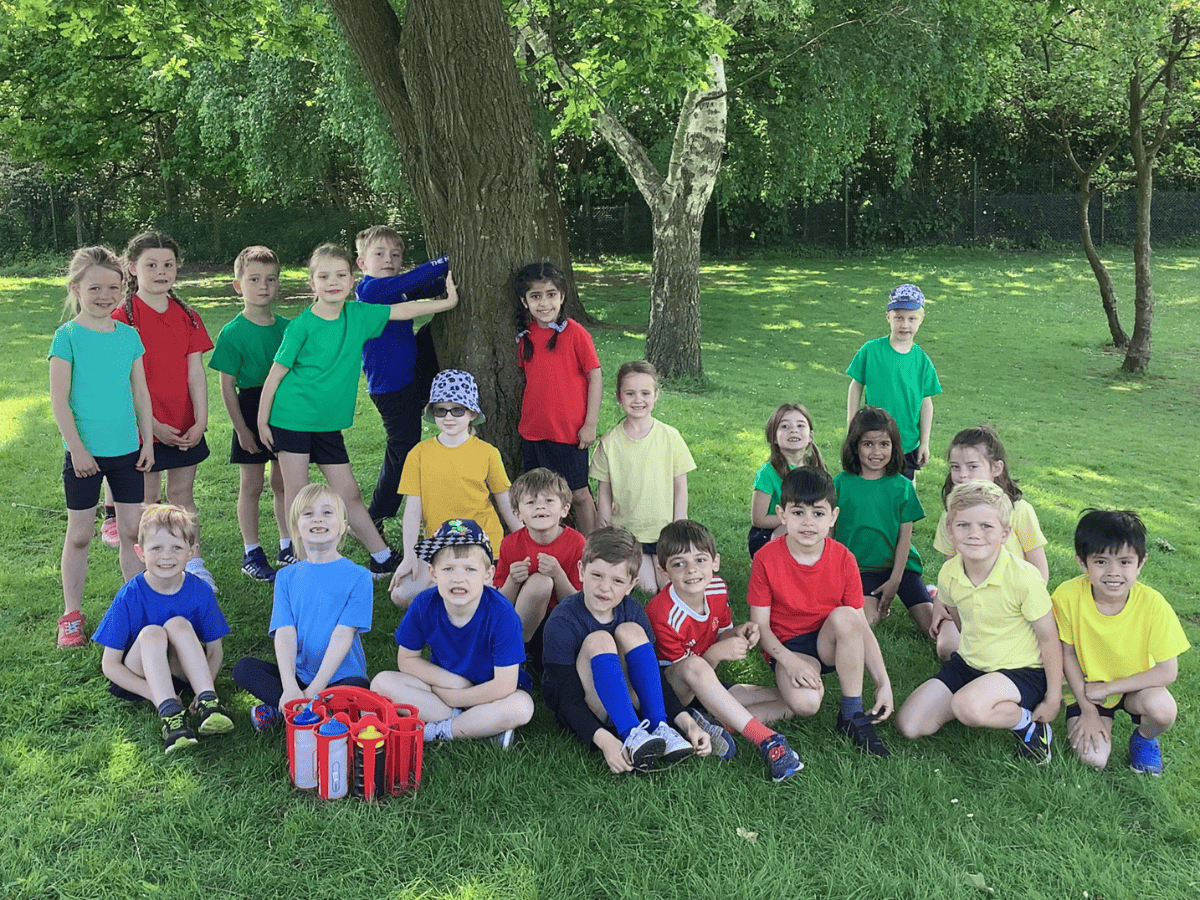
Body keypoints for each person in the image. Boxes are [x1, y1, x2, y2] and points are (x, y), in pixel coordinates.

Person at [257, 243, 459, 578]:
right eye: (323, 276)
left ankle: (380, 557)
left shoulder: (360, 315)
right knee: (300, 494)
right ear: (312, 283)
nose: (332, 282)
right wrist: (263, 420)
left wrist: (447, 302)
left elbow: (403, 312)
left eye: (340, 275)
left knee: (348, 491)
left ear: (353, 279)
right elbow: (275, 375)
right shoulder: (301, 327)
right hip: (291, 419)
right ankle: (303, 565)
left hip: (327, 424)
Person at [895, 481, 1063, 764]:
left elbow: (1049, 639)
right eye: (963, 526)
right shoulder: (949, 572)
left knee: (967, 707)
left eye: (986, 526)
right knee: (910, 725)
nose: (974, 535)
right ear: (950, 530)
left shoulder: (1025, 578)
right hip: (970, 663)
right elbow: (960, 620)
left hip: (1022, 670)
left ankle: (1028, 723)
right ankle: (982, 698)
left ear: (1004, 533)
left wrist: (1053, 698)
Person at [747, 466, 893, 758]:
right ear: (782, 514)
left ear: (833, 517)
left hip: (830, 640)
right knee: (806, 704)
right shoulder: (766, 558)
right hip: (790, 645)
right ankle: (735, 701)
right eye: (798, 512)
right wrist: (790, 662)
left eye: (818, 513)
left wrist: (883, 683)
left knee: (848, 615)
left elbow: (860, 626)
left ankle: (852, 715)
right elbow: (760, 626)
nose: (808, 523)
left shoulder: (843, 558)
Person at [49, 246, 155, 647]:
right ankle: (71, 614)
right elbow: (60, 401)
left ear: (124, 289)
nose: (105, 295)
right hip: (84, 454)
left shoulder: (129, 336)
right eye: (95, 288)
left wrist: (147, 441)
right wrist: (77, 449)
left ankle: (135, 606)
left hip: (127, 450)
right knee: (80, 535)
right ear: (76, 288)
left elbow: (141, 393)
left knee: (130, 530)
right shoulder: (68, 337)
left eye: (114, 287)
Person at [541, 526, 712, 772]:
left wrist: (687, 723)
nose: (604, 588)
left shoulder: (631, 610)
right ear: (581, 570)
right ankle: (631, 734)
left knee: (630, 631)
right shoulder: (562, 621)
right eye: (597, 575)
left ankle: (658, 725)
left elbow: (655, 678)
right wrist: (605, 741)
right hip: (587, 708)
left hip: (630, 701)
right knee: (599, 639)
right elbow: (566, 699)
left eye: (617, 580)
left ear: (632, 584)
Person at [646, 519, 803, 782]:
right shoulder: (663, 613)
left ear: (715, 562)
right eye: (678, 564)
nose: (692, 570)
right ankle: (767, 740)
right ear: (664, 572)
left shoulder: (717, 588)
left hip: (707, 681)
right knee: (695, 667)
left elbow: (722, 632)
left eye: (700, 560)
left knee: (790, 701)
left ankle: (721, 725)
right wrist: (718, 653)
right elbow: (688, 674)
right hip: (674, 694)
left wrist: (738, 632)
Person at [113, 230, 217, 590]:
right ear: (132, 269)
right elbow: (120, 382)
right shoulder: (121, 318)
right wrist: (151, 425)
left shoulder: (187, 315)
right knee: (147, 500)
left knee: (182, 496)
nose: (161, 271)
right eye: (151, 265)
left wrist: (200, 421)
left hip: (184, 422)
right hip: (142, 426)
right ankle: (152, 567)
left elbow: (195, 372)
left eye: (168, 264)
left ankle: (194, 564)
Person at [372, 519, 535, 748]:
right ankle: (478, 727)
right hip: (445, 686)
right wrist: (454, 684)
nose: (459, 578)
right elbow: (407, 660)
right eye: (448, 569)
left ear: (488, 575)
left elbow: (505, 685)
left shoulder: (502, 614)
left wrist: (458, 697)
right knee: (381, 683)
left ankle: (440, 730)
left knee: (522, 707)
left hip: (492, 693)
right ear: (433, 573)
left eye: (470, 569)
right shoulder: (424, 604)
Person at [1052, 509, 1190, 773]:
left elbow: (1167, 671)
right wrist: (1088, 710)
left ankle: (1144, 739)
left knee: (1163, 710)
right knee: (1093, 760)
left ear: (1141, 562)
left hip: (1133, 685)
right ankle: (1096, 719)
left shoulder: (1153, 604)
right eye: (1101, 562)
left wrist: (1109, 688)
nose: (1113, 572)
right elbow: (1066, 655)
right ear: (1083, 563)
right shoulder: (1067, 595)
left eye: (1125, 562)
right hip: (1088, 688)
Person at [231, 484, 374, 731]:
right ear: (296, 526)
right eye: (308, 514)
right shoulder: (286, 578)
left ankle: (284, 712)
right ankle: (299, 708)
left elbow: (343, 636)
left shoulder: (359, 576)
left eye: (327, 513)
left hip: (342, 677)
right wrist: (289, 687)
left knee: (357, 692)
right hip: (300, 675)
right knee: (244, 669)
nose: (318, 518)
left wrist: (315, 689)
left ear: (342, 525)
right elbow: (285, 633)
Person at [94, 504, 233, 754]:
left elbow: (214, 650)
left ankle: (209, 703)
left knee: (178, 625)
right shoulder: (130, 595)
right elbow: (110, 665)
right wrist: (152, 693)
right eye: (156, 548)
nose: (166, 557)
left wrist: (205, 686)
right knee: (152, 632)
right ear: (140, 552)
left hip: (181, 672)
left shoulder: (200, 591)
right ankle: (170, 716)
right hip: (141, 672)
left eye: (176, 548)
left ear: (192, 552)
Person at [389, 369, 521, 608]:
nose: (449, 417)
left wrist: (526, 542)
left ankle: (452, 596)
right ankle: (446, 593)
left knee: (474, 595)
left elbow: (506, 504)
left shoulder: (487, 453)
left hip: (481, 544)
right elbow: (412, 512)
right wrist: (409, 556)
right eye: (441, 410)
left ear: (471, 413)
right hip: (438, 544)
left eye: (457, 410)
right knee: (401, 594)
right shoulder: (419, 454)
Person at [208, 245, 291, 582]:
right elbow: (227, 386)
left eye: (271, 279)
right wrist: (241, 429)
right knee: (252, 484)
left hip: (284, 409)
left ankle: (289, 545)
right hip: (249, 405)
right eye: (254, 279)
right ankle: (252, 552)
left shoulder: (289, 327)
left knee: (284, 481)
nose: (263, 286)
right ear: (238, 285)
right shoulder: (232, 332)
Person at [354, 226, 441, 536]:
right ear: (362, 263)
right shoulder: (371, 291)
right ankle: (375, 515)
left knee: (435, 330)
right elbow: (413, 281)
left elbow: (423, 287)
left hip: (410, 374)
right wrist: (447, 261)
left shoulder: (394, 289)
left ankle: (425, 398)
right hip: (391, 387)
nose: (388, 260)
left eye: (395, 255)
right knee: (403, 448)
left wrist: (446, 279)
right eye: (379, 254)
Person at [590, 360, 696, 592]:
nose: (638, 400)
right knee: (647, 589)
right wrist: (605, 527)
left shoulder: (671, 437)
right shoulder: (609, 443)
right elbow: (604, 492)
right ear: (619, 396)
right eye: (630, 393)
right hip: (629, 535)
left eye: (645, 393)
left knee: (670, 586)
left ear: (656, 395)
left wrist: (679, 526)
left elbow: (680, 487)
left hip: (664, 533)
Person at [514, 262, 602, 534]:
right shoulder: (525, 337)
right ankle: (553, 544)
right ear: (524, 301)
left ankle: (592, 549)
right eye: (535, 296)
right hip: (534, 432)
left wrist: (590, 424)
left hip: (569, 433)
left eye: (551, 294)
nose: (544, 303)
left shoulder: (575, 333)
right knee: (542, 496)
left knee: (578, 495)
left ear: (562, 296)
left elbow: (595, 377)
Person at [833, 407, 933, 635]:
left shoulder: (903, 487)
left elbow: (904, 539)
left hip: (901, 568)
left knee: (932, 629)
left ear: (894, 447)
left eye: (884, 444)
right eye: (868, 444)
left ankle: (930, 596)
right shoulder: (839, 484)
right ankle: (876, 605)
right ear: (855, 446)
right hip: (861, 569)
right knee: (866, 622)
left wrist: (896, 580)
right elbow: (829, 535)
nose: (876, 451)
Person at [845, 283, 941, 480]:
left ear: (921, 320)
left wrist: (924, 442)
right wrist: (851, 420)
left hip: (907, 441)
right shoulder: (870, 351)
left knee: (904, 491)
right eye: (899, 317)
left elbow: (926, 402)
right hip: (873, 437)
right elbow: (856, 385)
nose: (905, 325)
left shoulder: (921, 360)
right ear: (888, 317)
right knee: (872, 482)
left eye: (911, 318)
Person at [934, 426, 1050, 582]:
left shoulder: (1019, 510)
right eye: (955, 467)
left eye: (972, 466)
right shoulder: (951, 515)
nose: (962, 475)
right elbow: (951, 565)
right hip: (971, 598)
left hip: (1015, 598)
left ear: (996, 468)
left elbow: (1039, 568)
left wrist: (1035, 599)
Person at [494, 468, 585, 661]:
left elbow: (580, 605)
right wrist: (513, 580)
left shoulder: (577, 543)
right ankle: (514, 654)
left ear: (565, 509)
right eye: (531, 502)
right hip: (522, 620)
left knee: (545, 580)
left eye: (549, 500)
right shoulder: (510, 544)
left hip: (563, 623)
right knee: (540, 582)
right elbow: (499, 603)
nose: (540, 507)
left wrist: (558, 575)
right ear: (517, 513)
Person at [748, 403, 827, 558]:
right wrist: (797, 519)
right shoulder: (768, 473)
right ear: (774, 438)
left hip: (806, 527)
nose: (793, 430)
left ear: (810, 436)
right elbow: (758, 519)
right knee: (789, 531)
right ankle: (771, 570)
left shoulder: (816, 469)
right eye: (784, 426)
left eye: (800, 425)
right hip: (769, 533)